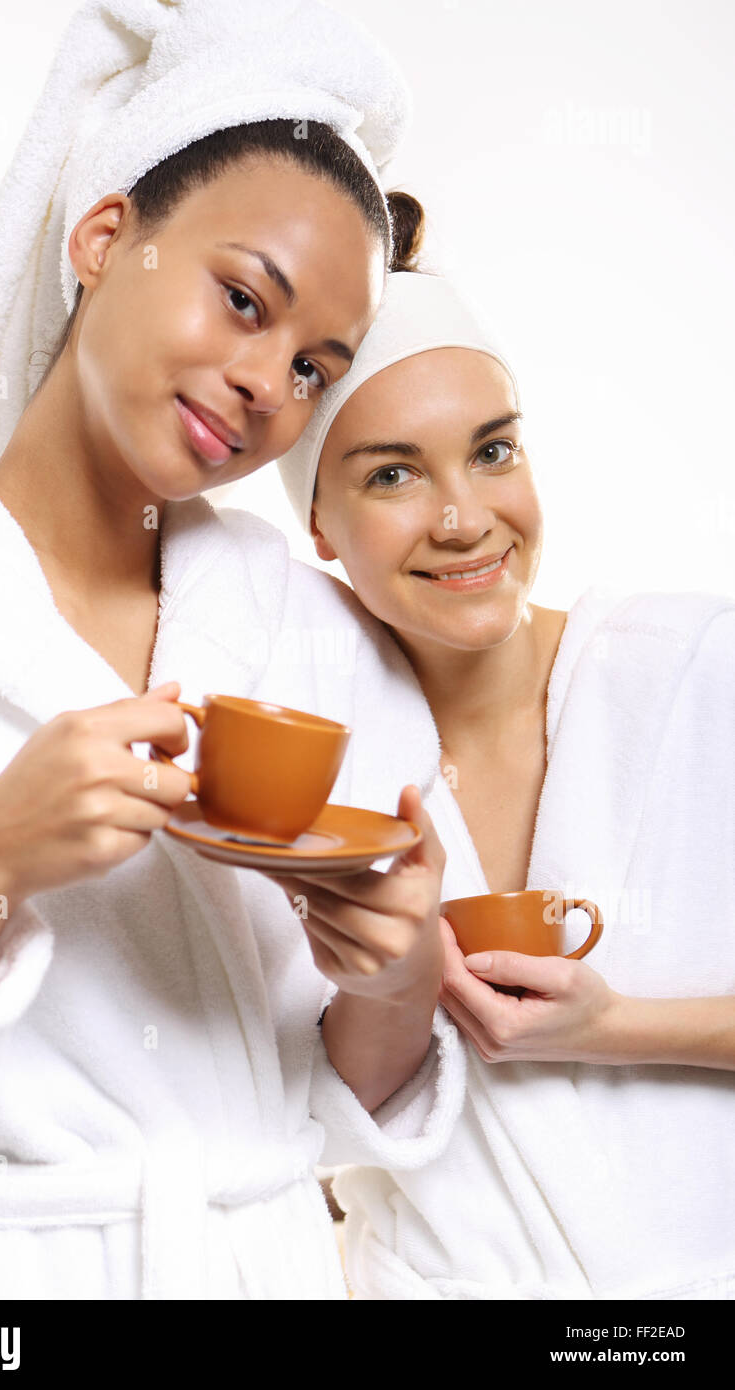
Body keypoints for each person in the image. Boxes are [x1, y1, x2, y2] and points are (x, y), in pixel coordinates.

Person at [0, 0, 463, 1300]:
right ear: (103, 236)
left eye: (316, 366)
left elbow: (352, 1098)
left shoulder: (314, 633)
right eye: (241, 299)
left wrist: (397, 966)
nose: (266, 383)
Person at [276, 253, 735, 1300]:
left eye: (491, 452)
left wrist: (613, 1029)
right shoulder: (311, 769)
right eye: (390, 473)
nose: (462, 518)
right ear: (315, 524)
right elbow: (297, 1104)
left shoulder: (693, 673)